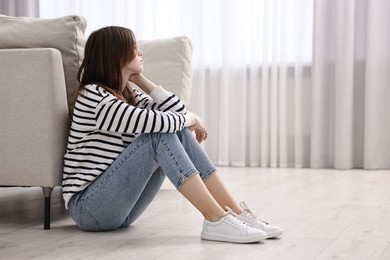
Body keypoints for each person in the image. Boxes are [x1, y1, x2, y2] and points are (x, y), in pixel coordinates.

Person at [62, 26, 282, 244]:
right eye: (134, 48)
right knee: (158, 134)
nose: (140, 53)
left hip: (118, 211)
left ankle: (234, 212)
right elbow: (162, 122)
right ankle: (216, 219)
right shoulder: (94, 97)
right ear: (115, 53)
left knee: (172, 130)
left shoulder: (129, 94)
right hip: (89, 209)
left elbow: (176, 112)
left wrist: (141, 80)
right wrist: (194, 119)